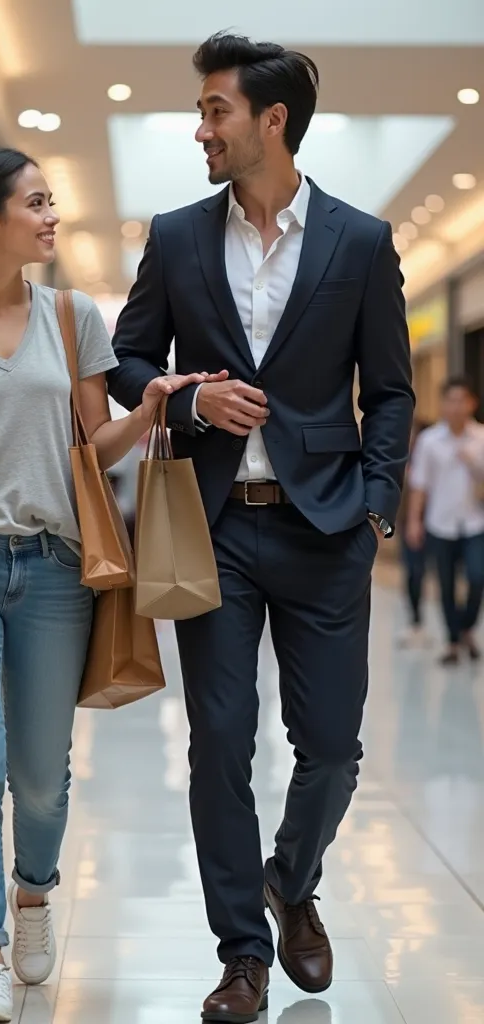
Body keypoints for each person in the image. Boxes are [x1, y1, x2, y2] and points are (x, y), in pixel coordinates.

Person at [0, 147, 214, 1024]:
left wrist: (146, 412)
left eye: (52, 200)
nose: (52, 215)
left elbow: (89, 448)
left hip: (57, 568)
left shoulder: (70, 319)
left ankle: (33, 894)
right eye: (37, 202)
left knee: (43, 777)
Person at [108, 33, 413, 1022]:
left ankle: (292, 874)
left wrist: (375, 501)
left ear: (270, 122)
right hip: (209, 529)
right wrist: (187, 405)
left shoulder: (360, 242)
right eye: (201, 112)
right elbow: (127, 359)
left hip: (326, 529)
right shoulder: (179, 233)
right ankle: (242, 953)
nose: (200, 127)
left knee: (330, 745)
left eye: (214, 111)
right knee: (218, 742)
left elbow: (392, 389)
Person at [407, 377, 484, 665]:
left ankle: (466, 626)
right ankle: (453, 641)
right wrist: (414, 521)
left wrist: (474, 463)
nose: (455, 406)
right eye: (449, 400)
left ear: (472, 403)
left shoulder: (481, 438)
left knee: (478, 577)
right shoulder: (429, 441)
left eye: (461, 400)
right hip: (440, 523)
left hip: (476, 523)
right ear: (442, 404)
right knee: (446, 584)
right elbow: (419, 486)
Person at [396, 418, 431, 647]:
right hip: (408, 523)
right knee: (414, 571)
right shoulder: (402, 462)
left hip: (435, 523)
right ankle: (415, 620)